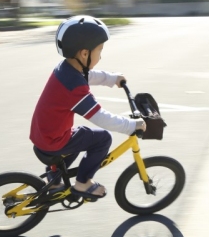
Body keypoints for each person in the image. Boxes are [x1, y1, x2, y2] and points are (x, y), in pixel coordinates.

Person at [30, 15, 146, 199]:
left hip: (43, 134)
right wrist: (131, 126)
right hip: (53, 140)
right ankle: (83, 183)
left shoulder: (66, 69)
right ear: (84, 53)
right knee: (102, 139)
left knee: (80, 136)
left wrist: (111, 78)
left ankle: (55, 175)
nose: (101, 55)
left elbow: (87, 75)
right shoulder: (74, 87)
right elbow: (100, 116)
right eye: (99, 50)